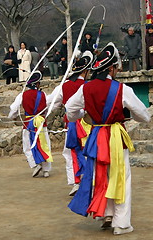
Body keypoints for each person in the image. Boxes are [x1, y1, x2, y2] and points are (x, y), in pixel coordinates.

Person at [65, 42, 150, 235]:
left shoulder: (85, 89)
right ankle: (121, 223)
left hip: (95, 137)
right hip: (115, 137)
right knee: (121, 177)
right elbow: (144, 115)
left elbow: (70, 109)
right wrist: (130, 116)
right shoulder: (122, 89)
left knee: (101, 176)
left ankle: (106, 214)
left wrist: (82, 116)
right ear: (111, 68)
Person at [46, 51, 93, 196]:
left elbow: (50, 103)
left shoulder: (64, 86)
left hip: (72, 124)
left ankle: (76, 182)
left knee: (70, 153)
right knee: (90, 152)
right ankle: (91, 180)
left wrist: (61, 105)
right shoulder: (89, 85)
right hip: (89, 124)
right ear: (85, 71)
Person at [8, 71, 53, 178]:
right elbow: (47, 108)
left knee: (28, 146)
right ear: (37, 84)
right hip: (41, 123)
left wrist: (12, 117)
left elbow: (14, 108)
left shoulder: (22, 95)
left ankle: (35, 164)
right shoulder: (43, 94)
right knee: (44, 144)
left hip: (28, 123)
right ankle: (46, 170)